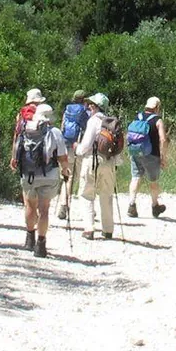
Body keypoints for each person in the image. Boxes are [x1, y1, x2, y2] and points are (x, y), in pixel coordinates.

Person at [15, 102, 70, 257]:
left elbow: (17, 148)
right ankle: (41, 244)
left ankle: (29, 238)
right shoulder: (55, 132)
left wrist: (15, 162)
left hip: (28, 173)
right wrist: (65, 170)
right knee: (44, 209)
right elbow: (62, 156)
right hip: (49, 174)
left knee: (30, 206)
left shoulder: (25, 128)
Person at [76, 92, 118, 240]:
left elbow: (86, 144)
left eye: (91, 105)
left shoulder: (93, 121)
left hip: (92, 161)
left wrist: (77, 149)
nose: (89, 107)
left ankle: (89, 229)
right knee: (106, 195)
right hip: (109, 162)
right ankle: (108, 230)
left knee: (87, 194)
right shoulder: (112, 122)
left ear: (95, 107)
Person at [125, 95, 168, 218]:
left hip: (135, 153)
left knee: (135, 178)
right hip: (152, 155)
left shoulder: (137, 117)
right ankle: (155, 206)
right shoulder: (157, 120)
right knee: (153, 181)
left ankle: (131, 205)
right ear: (156, 107)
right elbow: (163, 139)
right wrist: (163, 157)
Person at [57, 89, 90, 220]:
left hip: (65, 143)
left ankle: (63, 204)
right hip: (78, 145)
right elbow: (87, 128)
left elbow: (62, 126)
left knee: (66, 176)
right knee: (78, 177)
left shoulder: (68, 109)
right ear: (84, 100)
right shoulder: (84, 111)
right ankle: (72, 206)